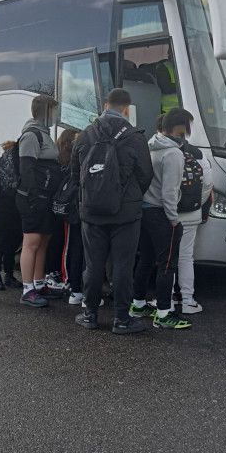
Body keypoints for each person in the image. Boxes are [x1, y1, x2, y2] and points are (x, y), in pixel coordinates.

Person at [72, 88, 153, 334]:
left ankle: (90, 314)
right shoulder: (134, 137)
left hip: (92, 212)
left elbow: (76, 176)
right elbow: (146, 174)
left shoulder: (85, 135)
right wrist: (129, 197)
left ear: (105, 106)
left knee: (93, 265)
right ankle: (121, 319)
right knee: (122, 265)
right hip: (125, 214)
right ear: (127, 109)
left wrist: (91, 198)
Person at [130, 109, 192, 329]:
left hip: (144, 211)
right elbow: (170, 192)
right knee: (167, 264)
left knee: (145, 260)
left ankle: (137, 304)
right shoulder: (173, 153)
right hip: (161, 213)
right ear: (181, 127)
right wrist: (174, 219)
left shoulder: (151, 145)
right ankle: (164, 313)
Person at [17, 95, 65, 307]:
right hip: (34, 197)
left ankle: (38, 282)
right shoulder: (32, 135)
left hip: (45, 197)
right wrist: (33, 197)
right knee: (32, 242)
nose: (56, 115)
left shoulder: (43, 133)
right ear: (45, 111)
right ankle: (27, 289)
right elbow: (26, 169)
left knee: (43, 241)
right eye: (53, 110)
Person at [169, 109, 213, 316]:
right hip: (191, 213)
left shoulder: (158, 148)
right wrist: (195, 203)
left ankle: (166, 298)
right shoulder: (197, 153)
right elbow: (208, 184)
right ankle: (187, 299)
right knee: (186, 256)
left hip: (166, 214)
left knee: (166, 257)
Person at [0, 141, 24, 291]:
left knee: (13, 244)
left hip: (16, 210)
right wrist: (9, 192)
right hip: (0, 211)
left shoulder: (19, 168)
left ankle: (9, 275)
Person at [54, 129, 86, 305]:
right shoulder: (66, 163)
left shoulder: (69, 162)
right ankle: (71, 282)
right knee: (72, 246)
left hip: (74, 209)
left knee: (75, 247)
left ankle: (74, 285)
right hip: (74, 210)